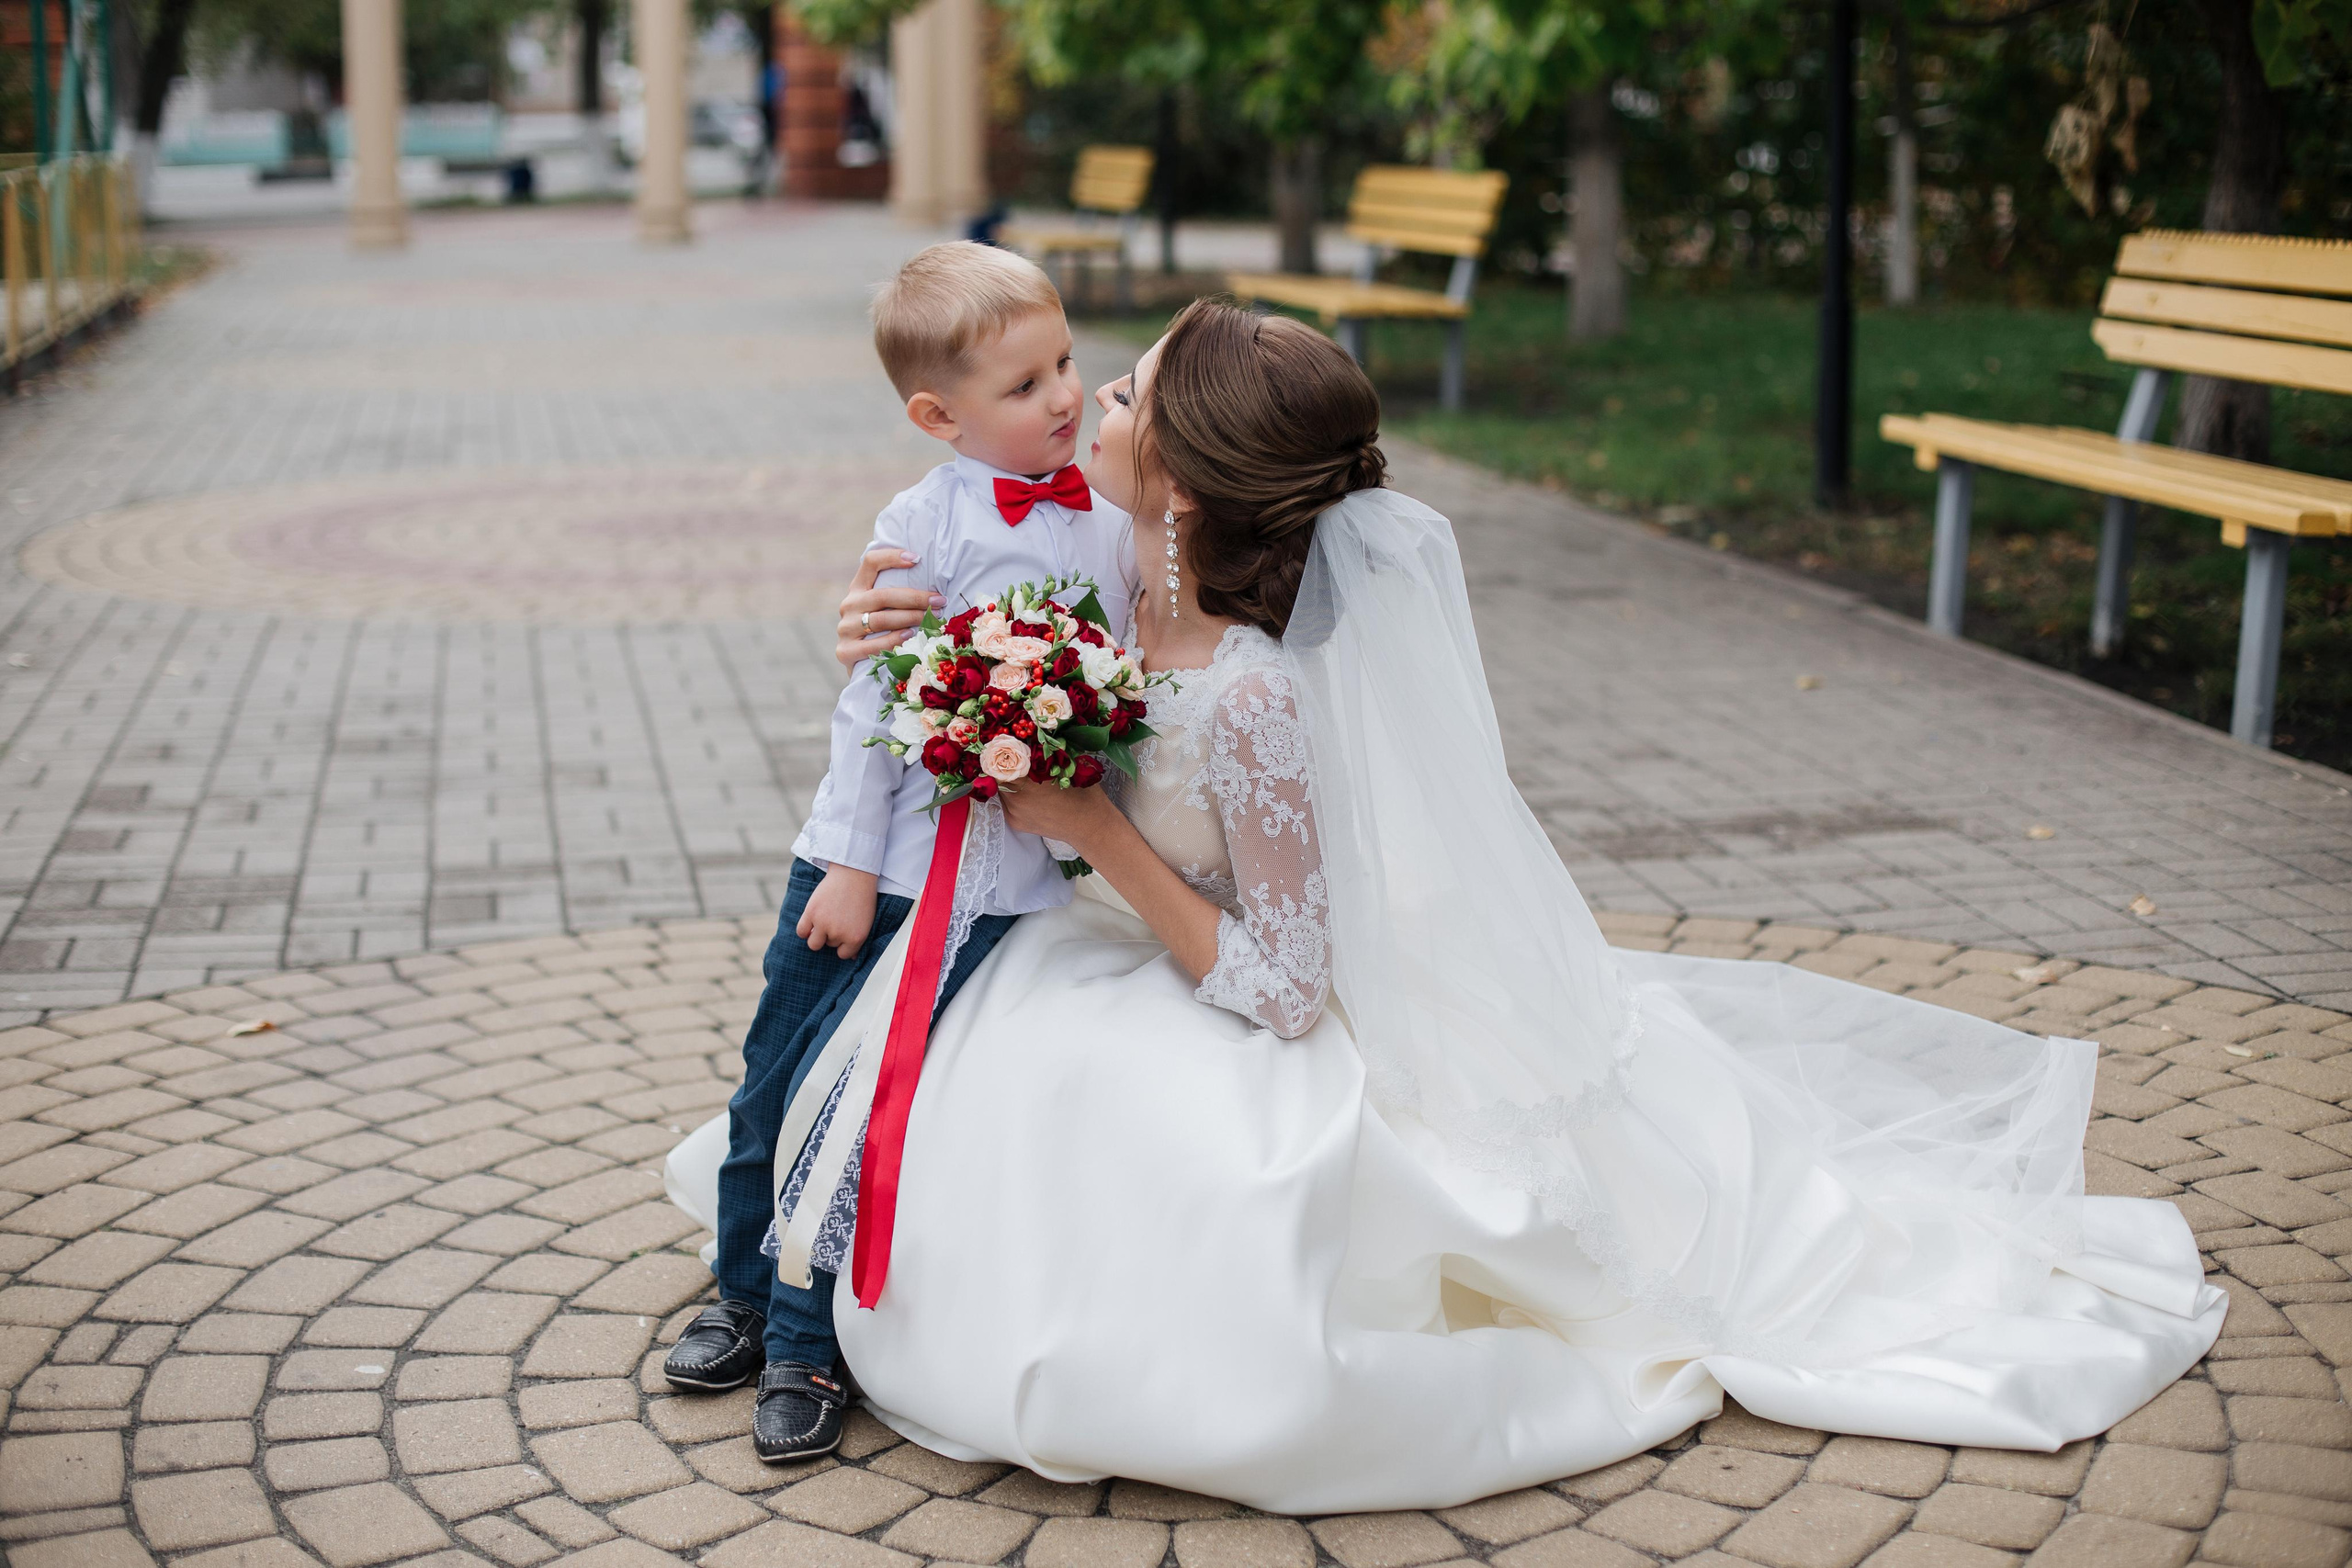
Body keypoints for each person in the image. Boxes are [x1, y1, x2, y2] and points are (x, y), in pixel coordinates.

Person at [672, 299, 2222, 1511]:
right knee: (943, 1080)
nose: (1091, 405)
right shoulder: (1111, 566)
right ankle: (797, 1289)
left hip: (1233, 985)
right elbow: (972, 560)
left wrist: (1090, 827)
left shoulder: (1259, 693)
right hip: (1118, 942)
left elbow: (1284, 985)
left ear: (1193, 488)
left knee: (1121, 1149)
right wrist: (896, 620)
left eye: (1126, 393)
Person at [660, 241, 1134, 1464]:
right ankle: (742, 1297)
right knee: (776, 1083)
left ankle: (812, 1346)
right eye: (1026, 387)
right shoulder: (921, 522)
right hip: (865, 874)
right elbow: (878, 702)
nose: (1067, 397)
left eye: (1068, 364)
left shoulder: (1110, 533)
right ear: (939, 416)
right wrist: (856, 864)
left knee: (871, 1109)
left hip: (995, 894)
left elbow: (1121, 688)